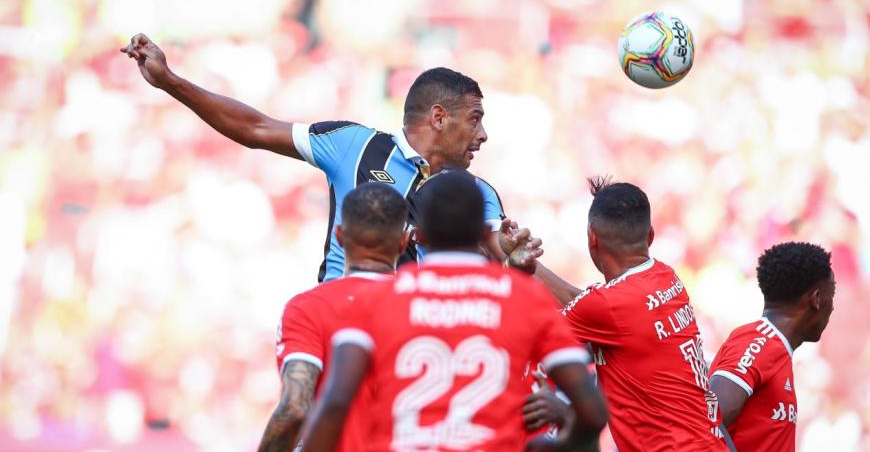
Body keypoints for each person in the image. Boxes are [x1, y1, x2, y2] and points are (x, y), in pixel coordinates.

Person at [121, 34, 510, 282]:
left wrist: (519, 263)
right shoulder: (352, 145)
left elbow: (508, 266)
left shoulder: (480, 196)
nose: (483, 135)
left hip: (412, 346)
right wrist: (171, 82)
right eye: (475, 119)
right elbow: (255, 128)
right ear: (438, 117)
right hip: (339, 321)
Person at [301, 171, 608, 452]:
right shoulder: (525, 296)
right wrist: (562, 445)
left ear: (417, 234)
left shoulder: (377, 299)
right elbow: (592, 412)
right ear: (481, 228)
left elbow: (337, 401)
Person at [529, 177, 728, 451]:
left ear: (592, 237)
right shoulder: (665, 277)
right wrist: (530, 266)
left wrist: (499, 253)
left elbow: (538, 329)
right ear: (650, 235)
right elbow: (587, 307)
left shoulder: (607, 305)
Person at [258, 182, 409, 452]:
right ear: (403, 242)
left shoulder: (308, 307)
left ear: (339, 236)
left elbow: (294, 408)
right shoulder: (425, 306)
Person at [709, 242, 835, 452]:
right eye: (832, 295)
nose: (833, 306)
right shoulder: (758, 342)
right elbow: (709, 416)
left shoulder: (777, 349)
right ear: (817, 299)